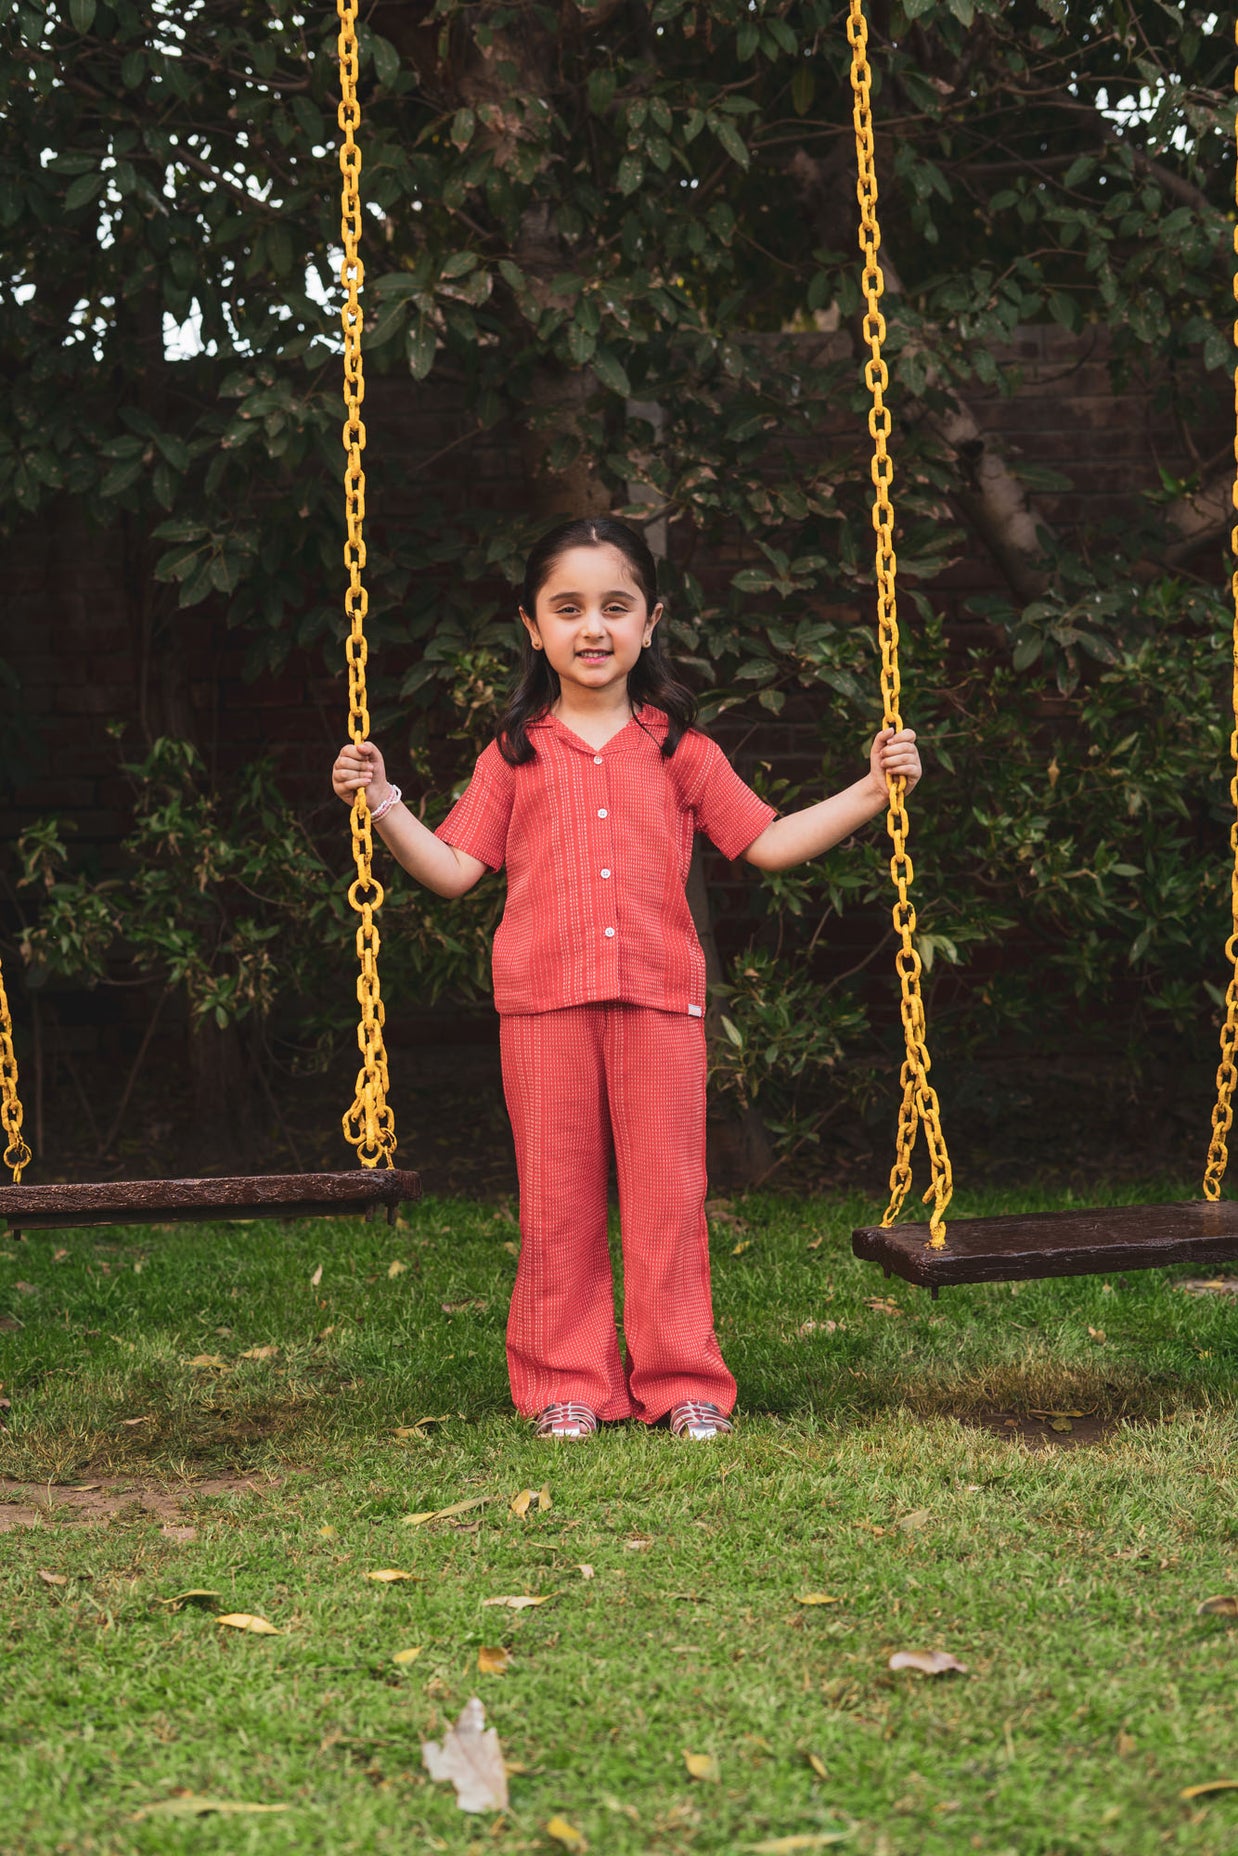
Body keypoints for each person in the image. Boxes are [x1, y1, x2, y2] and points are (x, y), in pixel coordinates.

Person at [332, 516, 921, 1441]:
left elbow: (763, 843)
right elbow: (451, 871)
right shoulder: (515, 753)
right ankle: (565, 1381)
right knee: (557, 1202)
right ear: (533, 626)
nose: (593, 628)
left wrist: (871, 793)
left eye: (616, 606)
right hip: (542, 1008)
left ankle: (683, 1382)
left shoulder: (680, 747)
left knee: (666, 1202)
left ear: (652, 622)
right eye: (568, 609)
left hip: (659, 1003)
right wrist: (382, 802)